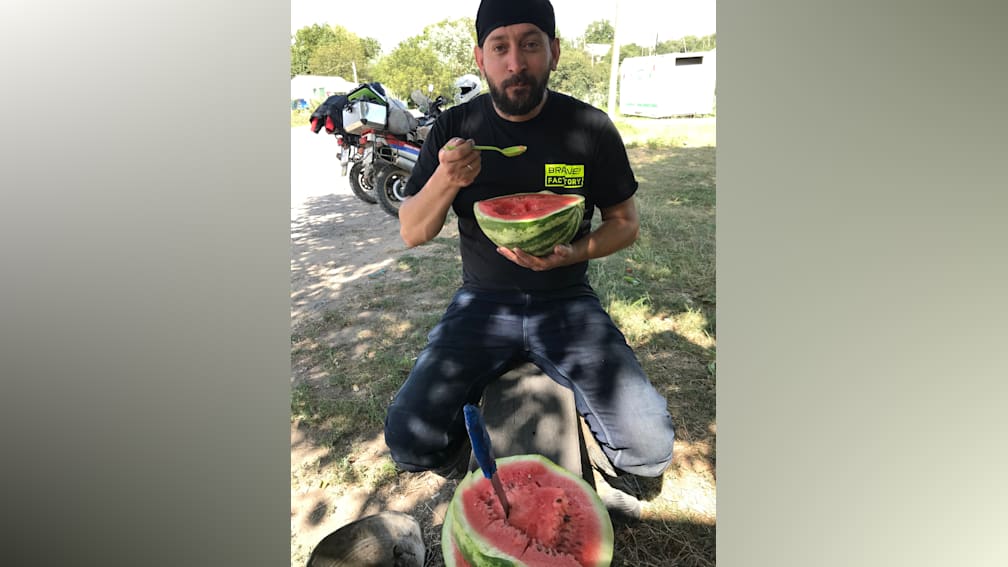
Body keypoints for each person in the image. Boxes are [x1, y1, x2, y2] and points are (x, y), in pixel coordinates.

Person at [382, 0, 675, 517]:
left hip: (567, 300)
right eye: (500, 46)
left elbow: (624, 223)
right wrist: (449, 179)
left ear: (554, 52)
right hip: (482, 303)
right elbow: (413, 231)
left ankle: (599, 470)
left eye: (531, 44)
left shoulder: (589, 128)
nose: (515, 61)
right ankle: (472, 469)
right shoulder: (453, 131)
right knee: (408, 439)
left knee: (650, 451)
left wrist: (576, 252)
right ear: (481, 57)